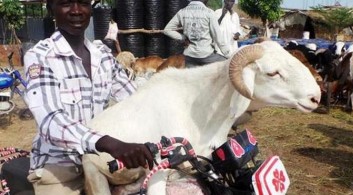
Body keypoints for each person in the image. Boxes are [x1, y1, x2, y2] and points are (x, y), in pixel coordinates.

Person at [23, 0, 153, 194]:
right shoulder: (40, 56)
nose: (76, 11)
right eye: (66, 3)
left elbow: (136, 101)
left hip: (101, 160)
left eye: (83, 3)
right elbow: (50, 120)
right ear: (52, 9)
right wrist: (110, 143)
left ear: (90, 9)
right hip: (60, 166)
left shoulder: (104, 56)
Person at [163, 0, 231, 68]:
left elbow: (167, 30)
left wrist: (183, 37)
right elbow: (218, 38)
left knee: (192, 77)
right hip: (207, 55)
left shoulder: (182, 12)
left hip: (189, 55)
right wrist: (229, 56)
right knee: (226, 65)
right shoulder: (209, 12)